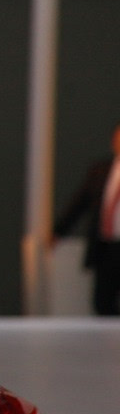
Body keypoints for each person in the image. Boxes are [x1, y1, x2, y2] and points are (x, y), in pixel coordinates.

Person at [53, 122, 120, 316]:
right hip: (106, 246)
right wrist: (58, 231)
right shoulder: (100, 171)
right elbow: (80, 203)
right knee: (103, 301)